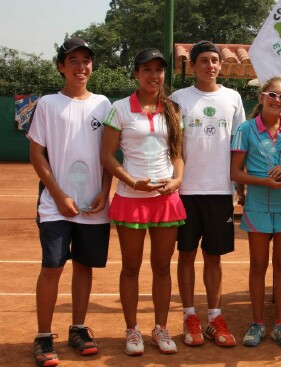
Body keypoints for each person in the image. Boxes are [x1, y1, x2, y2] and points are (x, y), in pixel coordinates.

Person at [28, 37, 112, 367]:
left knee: (84, 267)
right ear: (61, 67)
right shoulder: (48, 104)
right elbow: (37, 153)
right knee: (52, 266)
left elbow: (109, 155)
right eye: (73, 61)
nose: (81, 67)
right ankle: (44, 336)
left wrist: (106, 191)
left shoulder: (104, 104)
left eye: (86, 61)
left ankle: (78, 329)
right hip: (55, 205)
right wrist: (59, 195)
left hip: (93, 206)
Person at [101, 48, 186, 355]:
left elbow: (177, 155)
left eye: (158, 70)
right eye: (147, 69)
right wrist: (130, 181)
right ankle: (132, 330)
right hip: (131, 198)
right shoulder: (119, 108)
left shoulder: (173, 109)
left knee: (162, 267)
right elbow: (107, 156)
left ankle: (161, 329)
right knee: (131, 267)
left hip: (166, 200)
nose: (154, 75)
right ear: (136, 74)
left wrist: (176, 181)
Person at [170, 40, 246, 347]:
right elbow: (172, 146)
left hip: (219, 191)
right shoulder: (178, 98)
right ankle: (190, 316)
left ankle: (214, 317)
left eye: (215, 60)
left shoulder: (233, 98)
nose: (210, 65)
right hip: (186, 191)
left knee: (213, 257)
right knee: (186, 255)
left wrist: (239, 186)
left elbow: (239, 146)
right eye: (204, 61)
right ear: (193, 65)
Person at [230, 77, 281, 349]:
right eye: (272, 94)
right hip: (257, 206)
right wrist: (263, 182)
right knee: (258, 267)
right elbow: (235, 172)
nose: (277, 100)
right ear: (261, 97)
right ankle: (257, 323)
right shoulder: (245, 129)